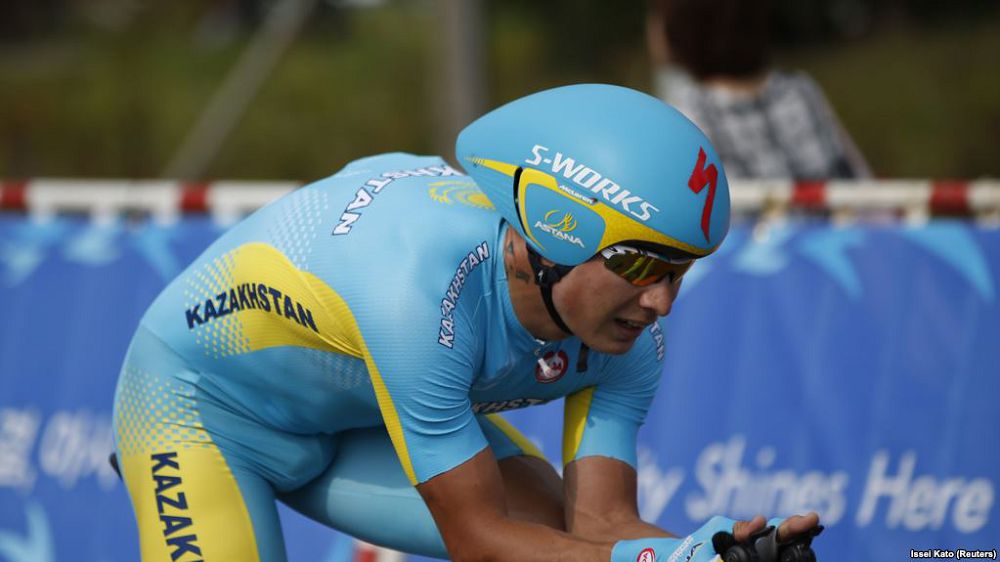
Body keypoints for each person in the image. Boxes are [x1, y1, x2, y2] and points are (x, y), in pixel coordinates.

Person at [112, 84, 821, 562]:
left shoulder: (632, 341)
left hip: (363, 417)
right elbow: (480, 541)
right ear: (557, 230)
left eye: (679, 272)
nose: (662, 303)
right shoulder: (419, 291)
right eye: (641, 265)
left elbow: (602, 527)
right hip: (198, 410)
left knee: (557, 540)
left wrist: (712, 552)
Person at [647, 0, 872, 180]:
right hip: (837, 223)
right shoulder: (800, 90)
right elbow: (860, 182)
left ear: (681, 27)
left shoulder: (684, 117)